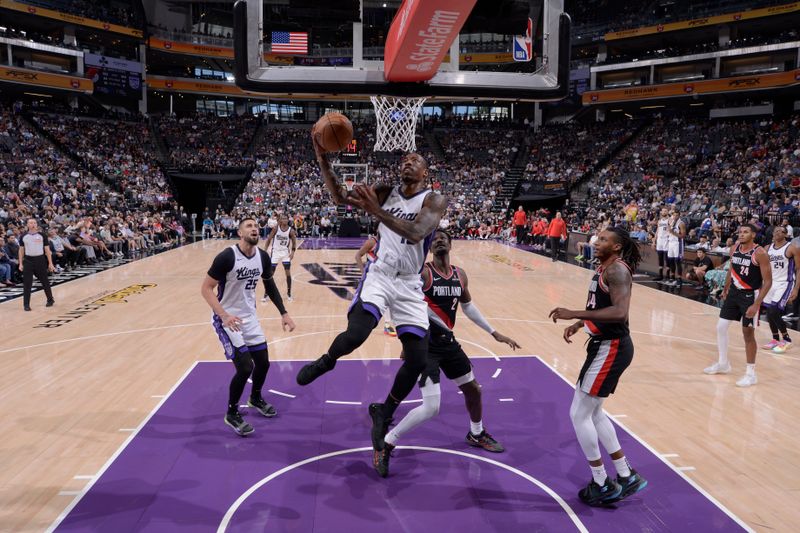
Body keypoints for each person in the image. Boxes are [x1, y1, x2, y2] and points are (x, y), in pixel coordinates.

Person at [296, 132, 448, 464]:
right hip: (380, 274)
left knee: (418, 359)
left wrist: (375, 211)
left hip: (409, 284)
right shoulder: (385, 191)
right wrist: (322, 158)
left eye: (415, 160)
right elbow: (339, 197)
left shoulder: (434, 200)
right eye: (403, 159)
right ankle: (326, 361)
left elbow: (417, 232)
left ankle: (385, 410)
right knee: (356, 335)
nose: (407, 162)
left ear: (426, 172)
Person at [374, 230, 521, 477]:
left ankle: (476, 433)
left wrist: (494, 332)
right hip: (426, 347)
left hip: (449, 344)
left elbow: (468, 306)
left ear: (451, 245)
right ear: (430, 247)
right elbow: (400, 303)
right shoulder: (422, 273)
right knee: (432, 407)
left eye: (444, 237)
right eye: (436, 238)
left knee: (473, 389)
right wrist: (406, 340)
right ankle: (386, 443)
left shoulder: (460, 275)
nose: (440, 239)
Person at [549, 227, 648, 506]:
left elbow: (619, 312)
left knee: (578, 414)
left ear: (616, 247)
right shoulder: (604, 267)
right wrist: (581, 323)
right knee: (594, 413)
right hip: (606, 346)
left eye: (604, 239)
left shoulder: (617, 271)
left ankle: (602, 482)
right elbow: (600, 304)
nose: (597, 240)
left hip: (611, 347)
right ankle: (626, 474)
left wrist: (574, 312)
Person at [200, 218, 296, 436]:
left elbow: (269, 284)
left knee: (263, 363)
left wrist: (284, 313)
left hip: (249, 318)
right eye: (249, 226)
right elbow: (206, 288)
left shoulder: (262, 256)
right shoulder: (227, 256)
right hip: (227, 318)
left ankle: (255, 398)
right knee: (245, 367)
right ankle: (232, 412)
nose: (254, 229)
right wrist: (223, 315)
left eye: (255, 226)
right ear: (239, 232)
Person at [704, 224, 772, 387]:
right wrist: (726, 287)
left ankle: (751, 374)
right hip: (734, 293)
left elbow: (768, 281)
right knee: (721, 327)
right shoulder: (735, 248)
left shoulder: (760, 253)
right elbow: (731, 270)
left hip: (750, 296)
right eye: (740, 232)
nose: (741, 234)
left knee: (748, 334)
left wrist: (757, 304)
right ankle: (723, 363)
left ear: (753, 235)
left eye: (745, 232)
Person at [760, 226, 798, 354]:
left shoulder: (791, 248)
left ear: (786, 234)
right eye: (775, 230)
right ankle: (775, 339)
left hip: (785, 283)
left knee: (774, 310)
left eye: (780, 231)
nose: (776, 232)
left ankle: (786, 339)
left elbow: (799, 269)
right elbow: (764, 267)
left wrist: (796, 289)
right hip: (770, 283)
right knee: (769, 312)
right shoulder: (767, 248)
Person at [355, 234, 396, 337]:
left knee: (391, 299)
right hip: (373, 277)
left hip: (387, 275)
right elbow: (358, 255)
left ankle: (389, 324)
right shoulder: (372, 242)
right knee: (367, 300)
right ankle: (386, 324)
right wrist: (363, 272)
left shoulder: (391, 241)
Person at [19, 218, 55, 311]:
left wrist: (50, 263)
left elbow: (47, 250)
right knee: (27, 283)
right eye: (31, 223)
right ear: (27, 225)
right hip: (28, 260)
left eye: (34, 222)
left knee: (44, 281)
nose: (33, 224)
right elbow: (21, 250)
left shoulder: (42, 235)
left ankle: (50, 299)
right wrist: (20, 263)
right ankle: (26, 304)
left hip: (40, 260)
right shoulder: (23, 236)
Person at [262, 213, 297, 302]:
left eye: (286, 218)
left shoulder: (291, 230)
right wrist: (264, 250)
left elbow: (294, 242)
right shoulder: (275, 229)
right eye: (283, 218)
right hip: (275, 252)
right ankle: (266, 294)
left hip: (285, 253)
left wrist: (292, 252)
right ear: (280, 220)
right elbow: (269, 239)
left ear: (288, 220)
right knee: (270, 273)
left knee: (288, 273)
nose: (285, 220)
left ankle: (289, 294)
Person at [664, 210, 686, 287]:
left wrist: (673, 232)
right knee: (671, 260)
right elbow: (669, 231)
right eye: (674, 215)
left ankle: (679, 279)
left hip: (678, 243)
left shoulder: (681, 223)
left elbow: (683, 236)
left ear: (679, 216)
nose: (675, 216)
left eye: (677, 215)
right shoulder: (672, 222)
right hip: (671, 243)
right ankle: (672, 277)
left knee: (678, 261)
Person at [653, 208, 670, 281]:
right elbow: (657, 230)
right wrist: (654, 240)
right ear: (661, 212)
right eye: (663, 211)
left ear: (668, 212)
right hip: (660, 240)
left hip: (666, 239)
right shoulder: (659, 221)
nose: (664, 212)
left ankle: (668, 276)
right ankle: (660, 275)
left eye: (665, 211)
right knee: (660, 258)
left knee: (667, 258)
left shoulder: (670, 220)